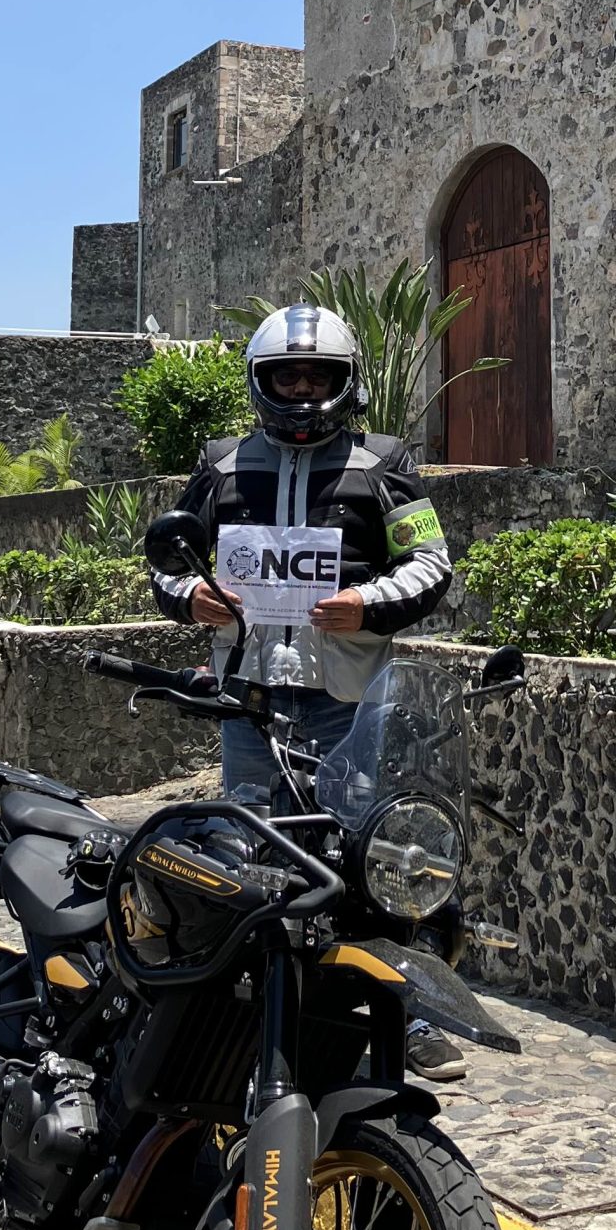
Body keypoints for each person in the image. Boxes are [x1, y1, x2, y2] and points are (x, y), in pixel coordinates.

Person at [146, 302, 466, 1080]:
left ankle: (407, 1012)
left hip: (348, 696)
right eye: (284, 374)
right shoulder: (220, 466)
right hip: (249, 697)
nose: (299, 387)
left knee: (367, 854)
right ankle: (248, 1008)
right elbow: (167, 556)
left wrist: (365, 604)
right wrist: (189, 595)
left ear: (343, 381)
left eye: (315, 375)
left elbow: (432, 563)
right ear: (260, 381)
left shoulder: (382, 465)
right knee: (245, 849)